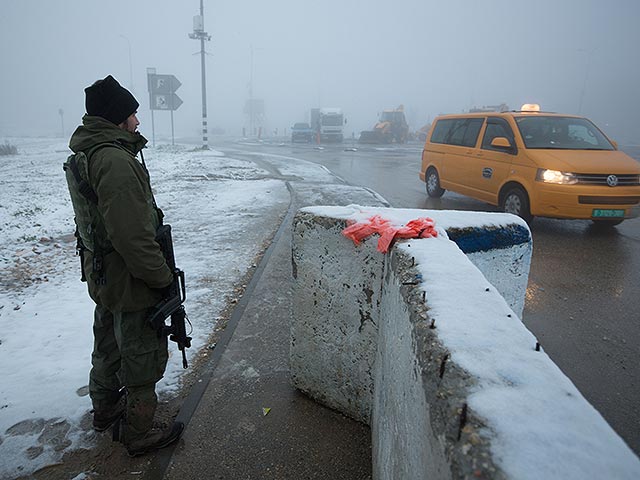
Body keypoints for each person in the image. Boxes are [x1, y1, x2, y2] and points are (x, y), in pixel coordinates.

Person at [67, 75, 184, 456]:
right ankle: (139, 431)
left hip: (104, 274)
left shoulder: (92, 153)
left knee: (108, 343)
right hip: (128, 276)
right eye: (132, 113)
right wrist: (162, 279)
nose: (137, 120)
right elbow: (132, 235)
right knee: (140, 352)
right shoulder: (114, 160)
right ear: (117, 117)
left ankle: (104, 409)